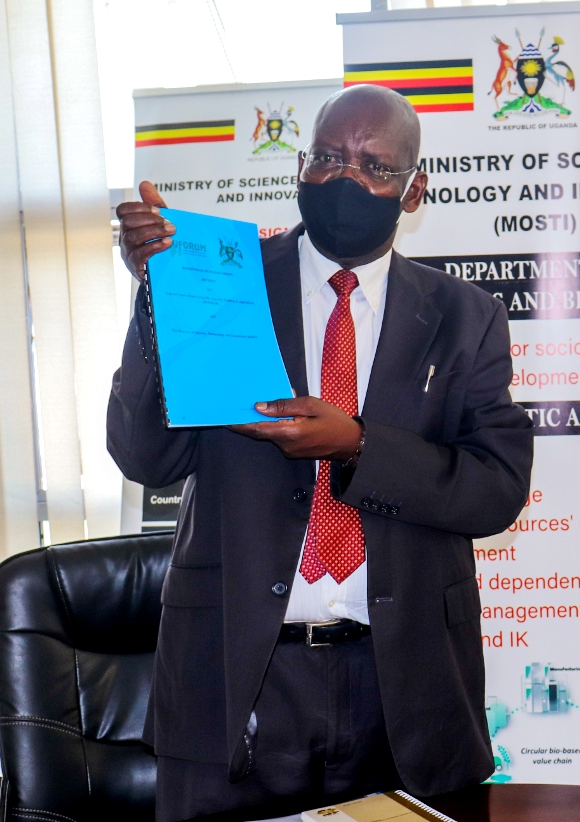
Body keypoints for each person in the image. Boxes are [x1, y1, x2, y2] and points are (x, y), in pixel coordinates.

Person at [109, 84, 533, 822]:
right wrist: (158, 295)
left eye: (374, 166)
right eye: (329, 158)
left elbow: (495, 489)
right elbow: (147, 456)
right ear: (300, 166)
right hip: (237, 673)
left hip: (402, 687)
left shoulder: (465, 316)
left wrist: (361, 445)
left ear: (413, 191)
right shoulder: (227, 286)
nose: (345, 179)